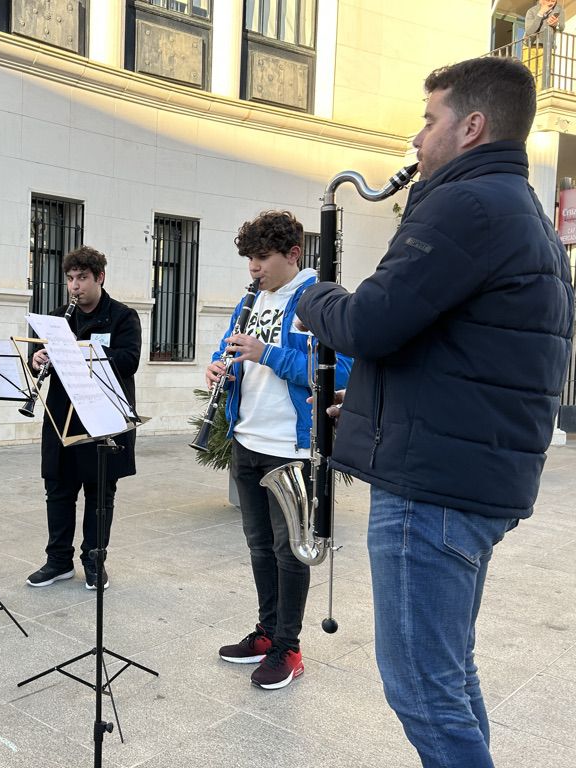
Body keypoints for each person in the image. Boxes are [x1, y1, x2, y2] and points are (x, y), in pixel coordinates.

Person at [296, 57, 574, 767]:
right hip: (468, 478)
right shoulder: (516, 208)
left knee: (422, 687)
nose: (417, 141)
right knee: (448, 676)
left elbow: (372, 322)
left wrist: (309, 294)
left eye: (428, 120)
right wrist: (361, 405)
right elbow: (456, 353)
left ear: (471, 126)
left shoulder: (468, 205)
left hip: (435, 492)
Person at [205, 211, 351, 690]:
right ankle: (268, 633)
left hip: (292, 446)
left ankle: (289, 647)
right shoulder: (252, 299)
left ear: (293, 254)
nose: (253, 268)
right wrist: (216, 369)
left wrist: (266, 354)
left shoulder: (319, 298)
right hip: (247, 439)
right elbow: (229, 351)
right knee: (258, 545)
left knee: (291, 553)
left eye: (262, 257)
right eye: (249, 257)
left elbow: (344, 370)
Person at [25, 246, 141, 591]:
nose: (75, 287)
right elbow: (37, 354)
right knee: (58, 490)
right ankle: (57, 560)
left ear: (99, 278)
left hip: (103, 416)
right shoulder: (58, 317)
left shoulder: (123, 316)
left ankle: (94, 560)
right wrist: (38, 357)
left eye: (82, 279)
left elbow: (129, 360)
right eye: (70, 279)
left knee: (99, 492)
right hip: (61, 415)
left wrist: (83, 351)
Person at [524, 0, 564, 86]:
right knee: (531, 74)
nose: (551, 2)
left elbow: (561, 27)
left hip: (548, 46)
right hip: (531, 47)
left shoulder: (558, 9)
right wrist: (541, 13)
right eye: (548, 0)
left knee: (546, 73)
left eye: (553, 0)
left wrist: (556, 24)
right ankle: (532, 96)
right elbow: (530, 31)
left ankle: (543, 94)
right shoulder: (532, 11)